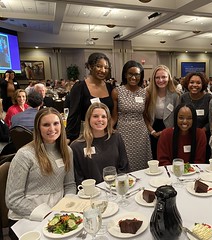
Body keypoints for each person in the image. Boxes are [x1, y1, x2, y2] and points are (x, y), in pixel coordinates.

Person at [5, 108, 76, 239]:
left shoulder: (67, 151)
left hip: (58, 212)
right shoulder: (25, 155)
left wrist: (66, 207)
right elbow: (13, 199)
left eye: (56, 123)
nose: (52, 129)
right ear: (38, 128)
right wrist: (46, 214)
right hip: (27, 217)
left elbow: (70, 185)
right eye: (46, 125)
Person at [71, 102, 129, 186]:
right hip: (92, 193)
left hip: (116, 188)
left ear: (108, 119)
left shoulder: (116, 137)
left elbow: (124, 166)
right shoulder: (77, 146)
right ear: (88, 119)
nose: (100, 120)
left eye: (103, 116)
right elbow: (78, 177)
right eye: (95, 116)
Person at [111, 60, 152, 171]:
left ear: (141, 76)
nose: (133, 77)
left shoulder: (145, 93)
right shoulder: (117, 92)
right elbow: (114, 117)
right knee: (125, 160)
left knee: (141, 162)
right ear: (125, 74)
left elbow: (145, 115)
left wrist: (151, 130)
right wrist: (107, 131)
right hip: (124, 132)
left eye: (137, 74)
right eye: (130, 74)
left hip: (141, 132)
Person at [66, 53, 114, 142]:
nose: (103, 70)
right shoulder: (79, 87)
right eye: (99, 66)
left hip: (106, 133)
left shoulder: (110, 88)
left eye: (106, 68)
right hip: (86, 134)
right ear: (90, 67)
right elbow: (74, 114)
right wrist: (69, 137)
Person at [145, 65, 180, 159]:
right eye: (157, 77)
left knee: (168, 156)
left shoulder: (175, 95)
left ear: (169, 78)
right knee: (154, 157)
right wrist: (152, 132)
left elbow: (178, 117)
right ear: (153, 79)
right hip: (153, 128)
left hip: (170, 129)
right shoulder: (148, 93)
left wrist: (169, 131)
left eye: (164, 77)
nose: (161, 80)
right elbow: (144, 115)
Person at [180, 72, 212, 162]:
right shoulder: (183, 98)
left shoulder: (209, 99)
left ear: (203, 84)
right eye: (191, 82)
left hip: (205, 136)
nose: (194, 85)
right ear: (187, 83)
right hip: (186, 135)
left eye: (198, 83)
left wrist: (202, 131)